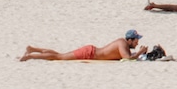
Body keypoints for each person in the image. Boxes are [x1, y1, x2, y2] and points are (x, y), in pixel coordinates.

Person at [18, 29, 148, 62]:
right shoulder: (122, 43)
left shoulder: (123, 44)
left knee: (60, 55)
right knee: (59, 57)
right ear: (130, 39)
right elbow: (127, 59)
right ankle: (31, 56)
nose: (138, 42)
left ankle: (32, 49)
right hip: (90, 53)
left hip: (91, 51)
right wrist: (140, 53)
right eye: (136, 40)